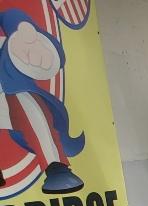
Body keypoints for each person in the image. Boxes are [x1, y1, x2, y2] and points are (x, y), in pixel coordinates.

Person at [0, 7, 85, 195]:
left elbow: (13, 18)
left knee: (32, 111)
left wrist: (24, 33)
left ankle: (56, 167)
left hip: (10, 87)